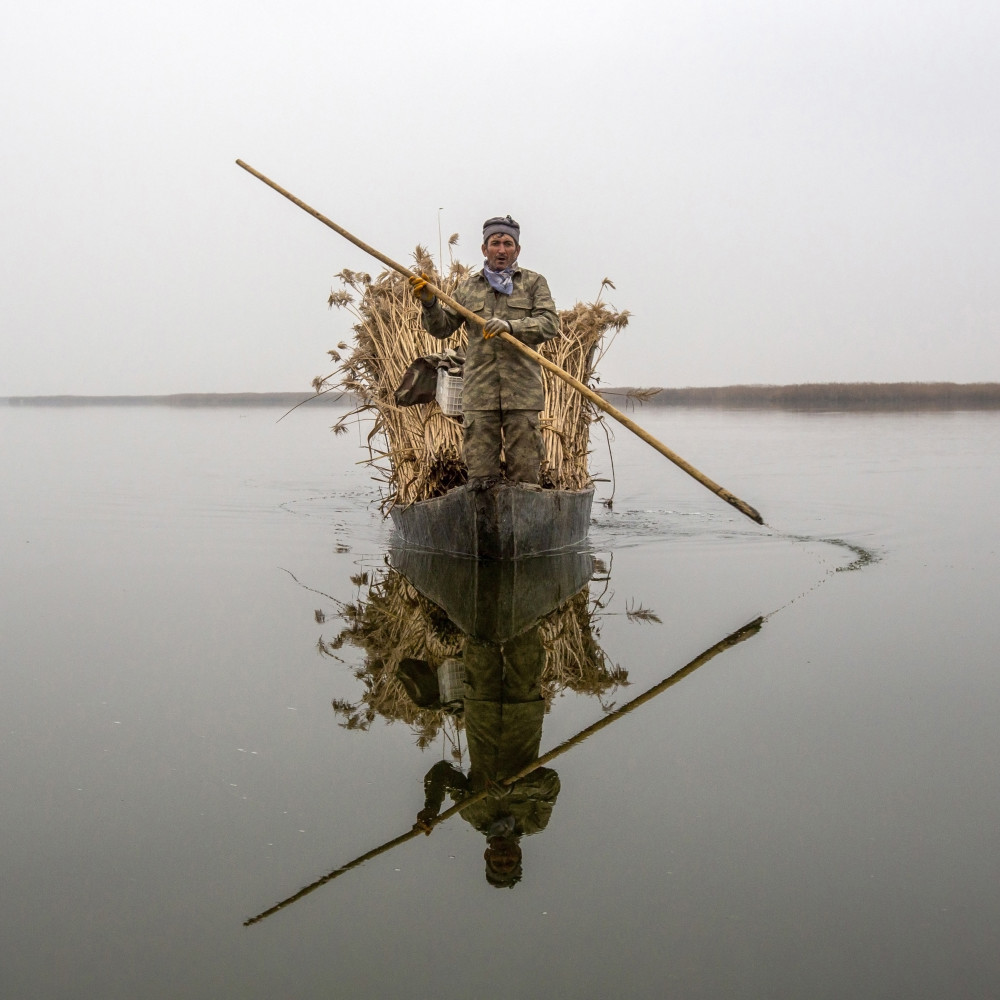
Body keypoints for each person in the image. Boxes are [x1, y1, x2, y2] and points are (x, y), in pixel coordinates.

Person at [409, 215, 559, 488]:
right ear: (484, 249)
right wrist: (430, 304)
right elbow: (442, 328)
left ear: (517, 250)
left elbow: (549, 325)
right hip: (480, 394)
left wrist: (511, 326)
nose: (501, 249)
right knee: (480, 480)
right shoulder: (468, 288)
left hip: (522, 393)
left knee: (525, 479)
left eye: (508, 243)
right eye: (495, 243)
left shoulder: (534, 283)